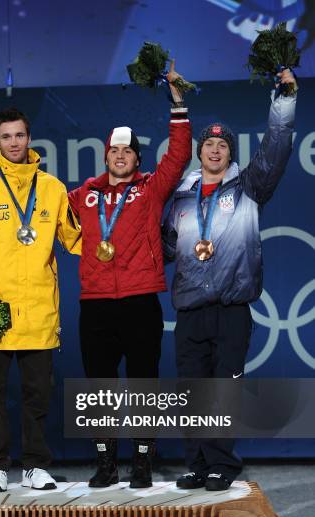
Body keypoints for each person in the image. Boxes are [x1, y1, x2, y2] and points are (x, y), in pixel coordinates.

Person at [162, 69, 297, 491]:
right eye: (209, 144)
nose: (215, 150)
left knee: (223, 390)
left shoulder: (249, 188)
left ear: (230, 153)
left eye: (223, 145)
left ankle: (221, 463)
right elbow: (163, 249)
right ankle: (197, 464)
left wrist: (285, 99)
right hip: (189, 312)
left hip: (231, 309)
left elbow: (275, 151)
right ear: (199, 152)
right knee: (191, 391)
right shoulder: (180, 198)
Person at [68, 62, 192, 489]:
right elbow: (43, 205)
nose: (120, 157)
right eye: (113, 151)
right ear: (105, 156)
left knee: (143, 384)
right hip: (97, 303)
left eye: (128, 152)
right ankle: (106, 464)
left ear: (137, 158)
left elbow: (178, 156)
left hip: (141, 300)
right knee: (99, 388)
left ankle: (142, 462)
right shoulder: (83, 196)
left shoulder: (150, 189)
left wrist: (177, 102)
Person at [0, 108, 81, 492]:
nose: (14, 143)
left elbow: (76, 241)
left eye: (19, 135)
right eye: (6, 137)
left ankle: (36, 466)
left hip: (39, 309)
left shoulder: (53, 189)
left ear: (29, 138)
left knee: (37, 396)